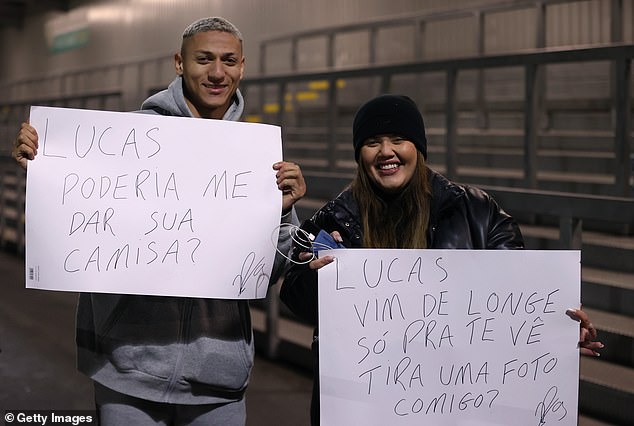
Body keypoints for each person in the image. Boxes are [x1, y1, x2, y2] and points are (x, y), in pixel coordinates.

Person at [12, 17, 306, 425]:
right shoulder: (124, 137)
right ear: (179, 63)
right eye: (204, 59)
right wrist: (45, 162)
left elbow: (268, 273)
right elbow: (77, 214)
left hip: (217, 377)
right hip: (126, 369)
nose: (217, 72)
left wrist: (286, 210)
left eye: (228, 60)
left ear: (242, 67)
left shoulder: (258, 156)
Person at [279, 94, 603, 425]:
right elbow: (294, 297)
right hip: (365, 404)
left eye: (399, 139)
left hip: (454, 404)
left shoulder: (477, 212)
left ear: (417, 148)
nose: (386, 151)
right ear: (359, 154)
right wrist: (314, 278)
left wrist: (558, 331)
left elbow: (517, 302)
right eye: (372, 142)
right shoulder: (334, 220)